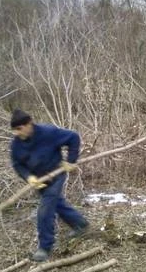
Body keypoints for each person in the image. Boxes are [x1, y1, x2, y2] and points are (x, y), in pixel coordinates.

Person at [10, 109, 89, 262]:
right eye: (14, 130)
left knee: (45, 209)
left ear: (29, 124)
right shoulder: (16, 144)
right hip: (39, 181)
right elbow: (17, 164)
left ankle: (44, 247)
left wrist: (71, 161)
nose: (17, 133)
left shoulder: (48, 133)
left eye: (19, 129)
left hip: (56, 174)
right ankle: (81, 224)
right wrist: (29, 177)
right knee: (56, 203)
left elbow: (73, 137)